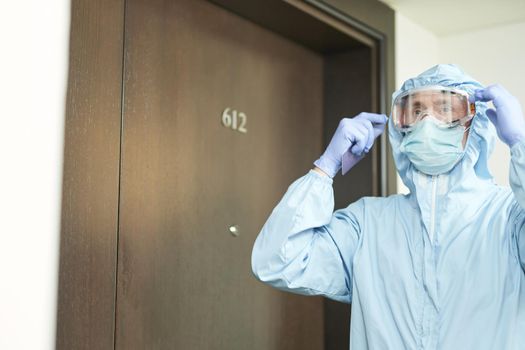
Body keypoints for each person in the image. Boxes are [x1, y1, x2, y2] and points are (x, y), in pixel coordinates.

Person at [251, 64, 525, 349]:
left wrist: (521, 146)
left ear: (475, 122)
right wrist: (324, 169)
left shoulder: (509, 217)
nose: (426, 121)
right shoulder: (368, 223)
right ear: (401, 127)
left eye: (444, 109)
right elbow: (276, 261)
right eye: (416, 111)